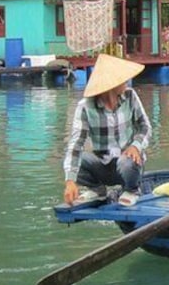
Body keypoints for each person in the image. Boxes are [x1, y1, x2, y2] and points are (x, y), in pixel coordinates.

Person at [63, 54, 151, 206]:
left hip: (127, 162)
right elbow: (76, 144)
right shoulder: (85, 107)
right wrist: (70, 181)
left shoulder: (130, 96)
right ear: (111, 84)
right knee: (76, 159)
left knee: (127, 161)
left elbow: (145, 126)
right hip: (103, 164)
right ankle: (97, 189)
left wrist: (135, 145)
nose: (126, 81)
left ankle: (132, 190)